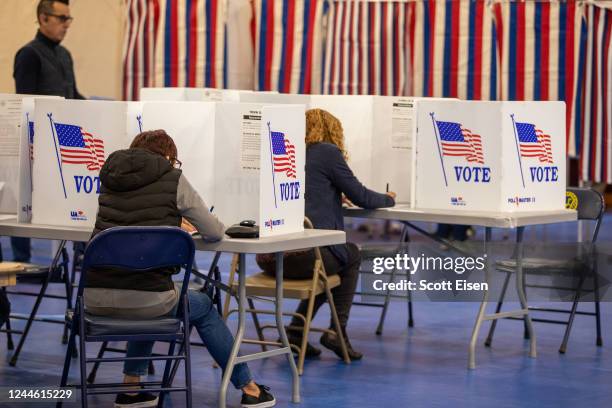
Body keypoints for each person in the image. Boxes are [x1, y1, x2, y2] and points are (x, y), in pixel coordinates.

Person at [85, 130, 275, 408]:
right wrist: (180, 224)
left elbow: (127, 225)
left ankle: (131, 388)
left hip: (93, 298)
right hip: (148, 300)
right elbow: (212, 231)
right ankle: (249, 388)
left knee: (149, 287)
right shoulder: (172, 178)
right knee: (200, 304)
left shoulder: (110, 178)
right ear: (167, 157)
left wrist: (170, 224)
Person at [257, 109, 396, 360]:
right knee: (348, 255)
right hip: (303, 259)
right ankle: (336, 331)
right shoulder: (326, 151)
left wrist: (330, 194)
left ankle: (297, 333)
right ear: (332, 130)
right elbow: (362, 196)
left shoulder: (287, 152)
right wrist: (389, 199)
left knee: (327, 262)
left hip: (271, 258)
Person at [11, 0, 84, 263]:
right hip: (36, 142)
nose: (66, 24)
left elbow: (73, 96)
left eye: (68, 19)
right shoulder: (28, 54)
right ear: (43, 18)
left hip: (63, 141)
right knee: (24, 201)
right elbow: (24, 102)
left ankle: (76, 256)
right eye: (62, 18)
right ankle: (20, 262)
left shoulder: (64, 55)